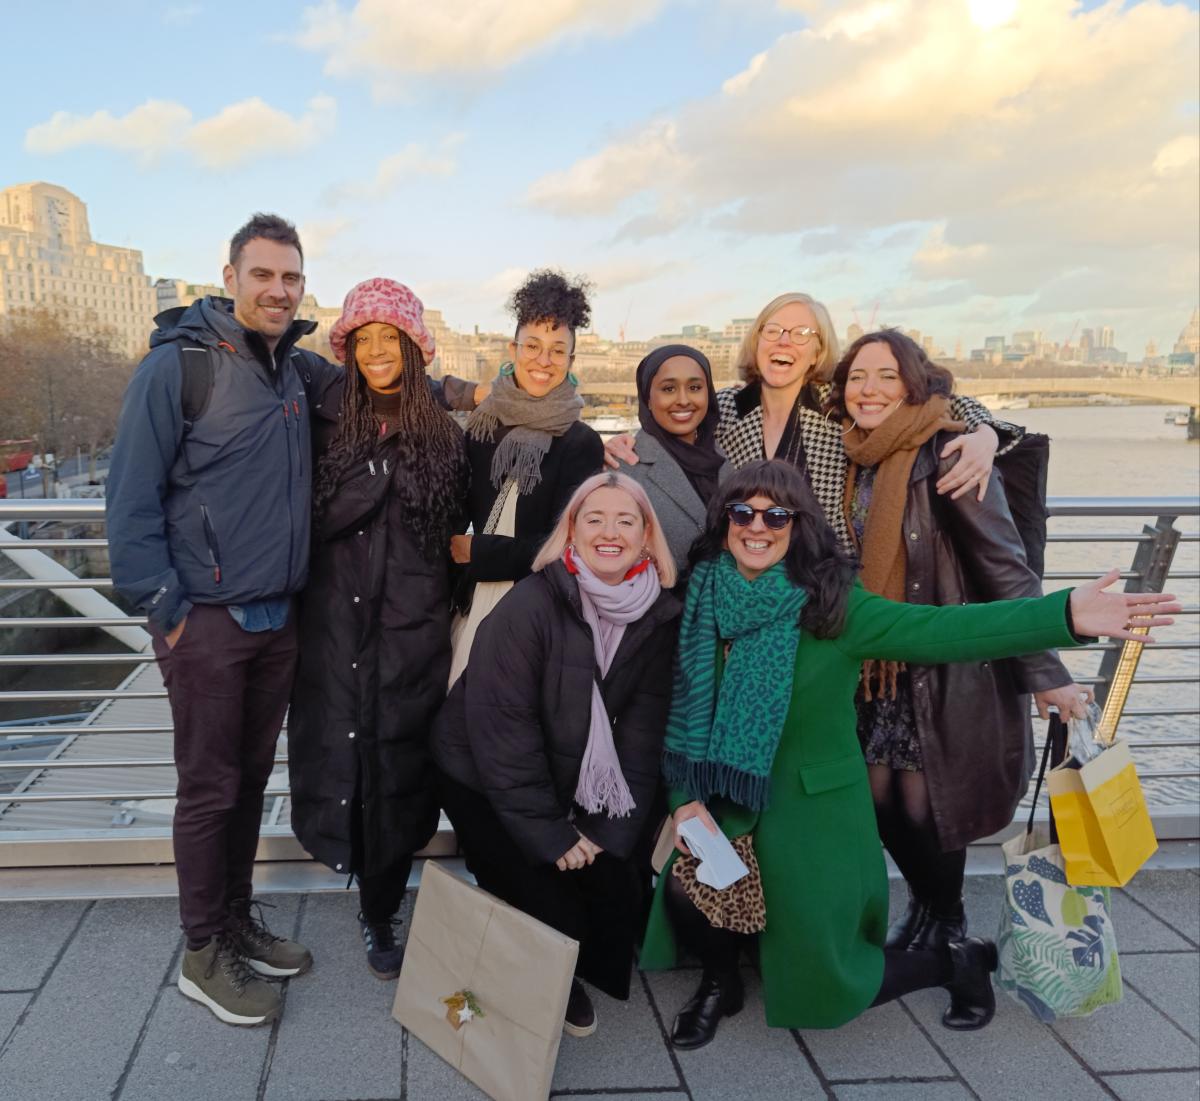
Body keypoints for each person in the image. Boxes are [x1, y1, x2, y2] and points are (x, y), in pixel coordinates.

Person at [638, 460, 1177, 1048]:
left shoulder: (833, 605)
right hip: (730, 800)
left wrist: (1062, 615)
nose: (757, 527)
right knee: (686, 893)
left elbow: (947, 632)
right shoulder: (703, 598)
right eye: (743, 513)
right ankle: (721, 984)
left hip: (812, 811)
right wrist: (685, 798)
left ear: (799, 524)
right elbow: (683, 711)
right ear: (724, 521)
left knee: (823, 981)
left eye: (776, 514)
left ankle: (952, 962)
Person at [106, 214, 341, 1027]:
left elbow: (400, 387)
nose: (279, 289)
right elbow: (129, 499)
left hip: (277, 617)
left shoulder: (295, 371)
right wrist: (167, 610)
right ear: (232, 275)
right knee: (209, 789)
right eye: (264, 275)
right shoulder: (180, 367)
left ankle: (235, 919)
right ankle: (202, 953)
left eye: (292, 278)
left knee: (244, 782)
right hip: (204, 619)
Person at [827, 330, 1090, 1025]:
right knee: (880, 804)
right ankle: (936, 916)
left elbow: (1005, 567)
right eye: (858, 377)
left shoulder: (946, 452)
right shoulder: (857, 454)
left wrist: (1047, 672)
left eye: (886, 376)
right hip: (879, 670)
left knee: (927, 809)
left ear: (916, 384)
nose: (870, 389)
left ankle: (946, 930)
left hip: (945, 672)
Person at [434, 473, 681, 1038]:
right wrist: (553, 834)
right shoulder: (532, 604)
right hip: (478, 771)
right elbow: (503, 735)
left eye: (626, 520)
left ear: (648, 538)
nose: (610, 532)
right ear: (571, 532)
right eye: (594, 519)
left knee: (614, 889)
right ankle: (540, 965)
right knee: (553, 899)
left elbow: (642, 737)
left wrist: (599, 831)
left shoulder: (656, 613)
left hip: (564, 766)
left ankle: (559, 938)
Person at [287, 278, 467, 980]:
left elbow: (463, 534)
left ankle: (381, 904)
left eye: (391, 337)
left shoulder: (446, 438)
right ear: (349, 348)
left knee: (398, 762)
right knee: (344, 754)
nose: (378, 352)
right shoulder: (324, 423)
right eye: (365, 339)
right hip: (334, 626)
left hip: (410, 629)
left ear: (414, 348)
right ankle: (361, 882)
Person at [605, 292, 1020, 551]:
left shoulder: (841, 405)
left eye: (801, 333)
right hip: (749, 581)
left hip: (827, 580)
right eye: (774, 330)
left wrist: (985, 432)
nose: (785, 341)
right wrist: (617, 446)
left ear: (819, 349)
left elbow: (936, 404)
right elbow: (671, 428)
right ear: (756, 342)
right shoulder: (727, 407)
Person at [447, 269, 604, 685]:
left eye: (557, 351)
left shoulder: (582, 442)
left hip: (539, 611)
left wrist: (477, 552)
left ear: (571, 360)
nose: (543, 361)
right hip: (472, 602)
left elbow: (567, 547)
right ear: (514, 348)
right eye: (532, 346)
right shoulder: (480, 428)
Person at [613, 345, 730, 578]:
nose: (684, 400)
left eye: (695, 387)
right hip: (658, 609)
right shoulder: (623, 467)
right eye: (669, 389)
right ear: (647, 398)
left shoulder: (723, 461)